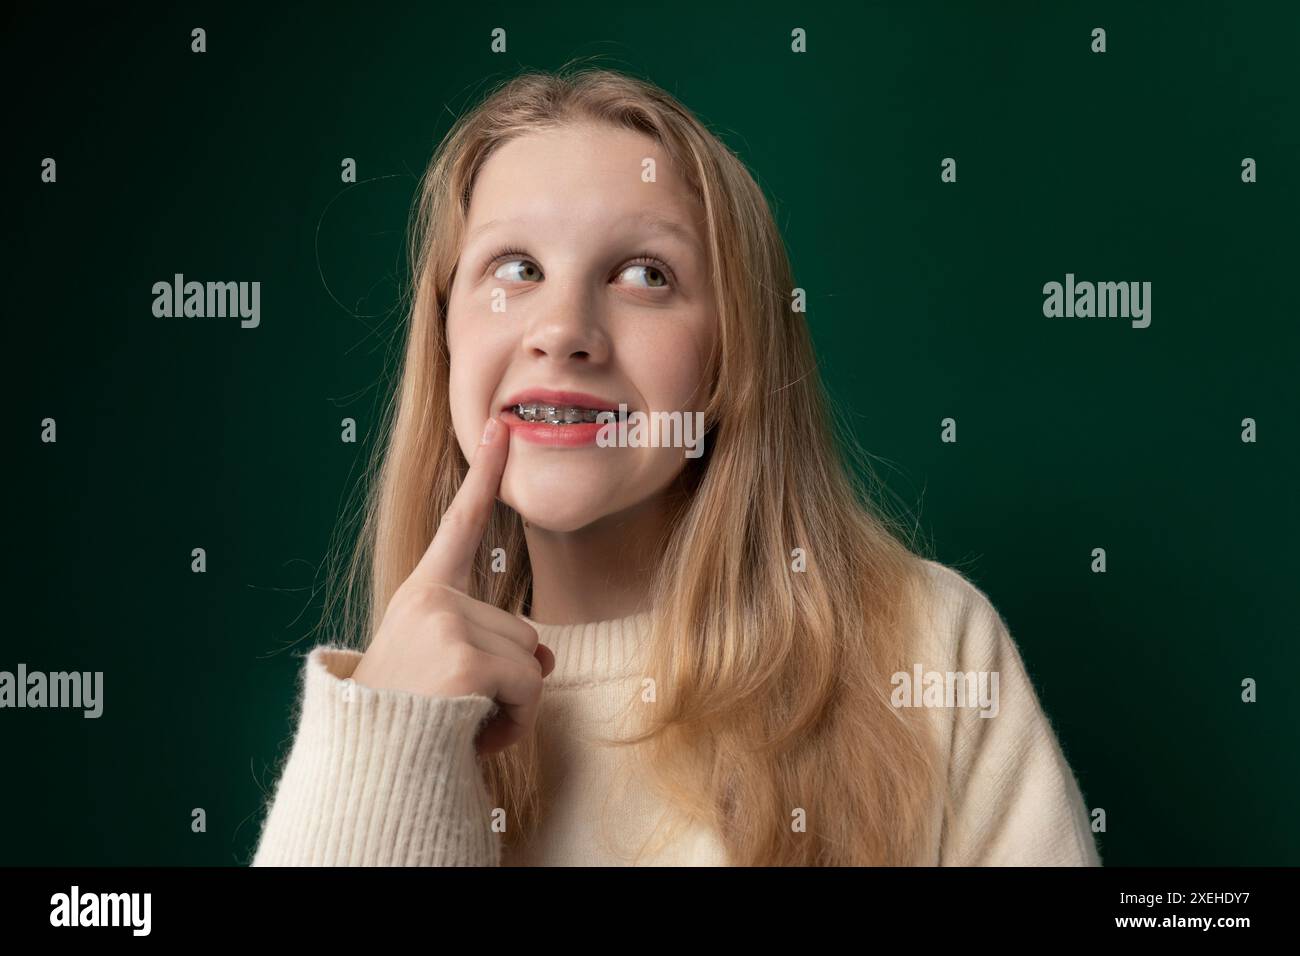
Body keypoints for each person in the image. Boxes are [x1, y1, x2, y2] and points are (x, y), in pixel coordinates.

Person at [250, 65, 1101, 867]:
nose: (563, 327)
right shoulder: (400, 689)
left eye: (643, 274)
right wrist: (385, 736)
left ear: (732, 358)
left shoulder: (930, 650)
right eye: (517, 268)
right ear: (445, 342)